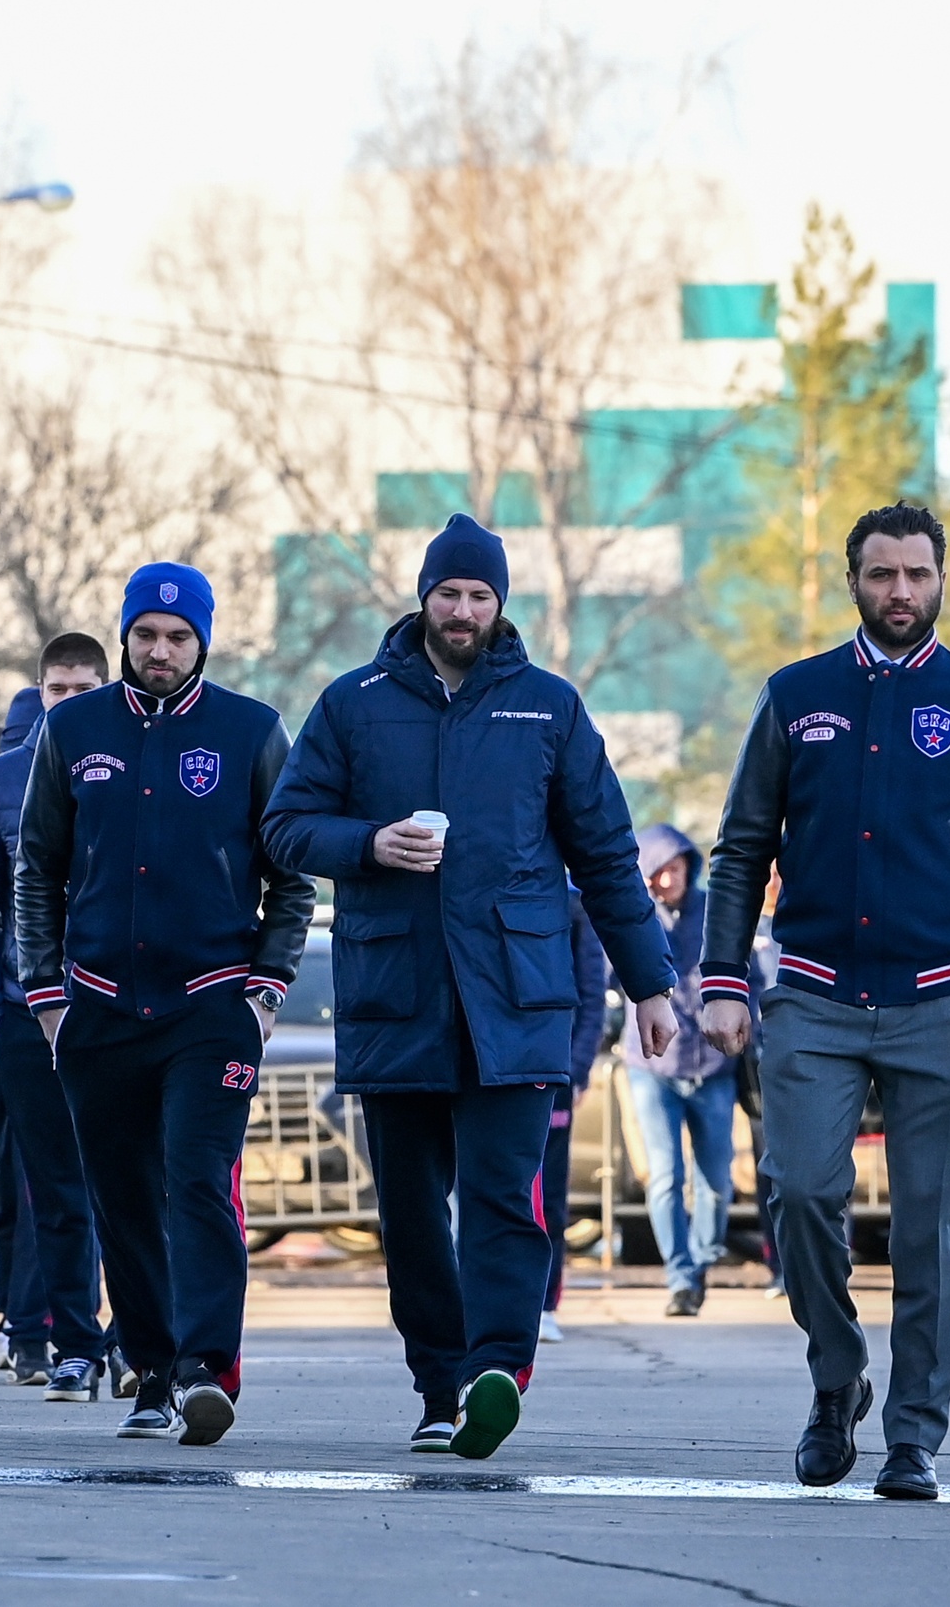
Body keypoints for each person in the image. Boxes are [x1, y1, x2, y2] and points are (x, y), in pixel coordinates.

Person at [262, 514, 677, 1460]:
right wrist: (367, 845)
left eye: (479, 595)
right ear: (423, 597)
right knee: (410, 1216)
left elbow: (608, 854)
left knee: (503, 1198)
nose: (462, 610)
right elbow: (285, 828)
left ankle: (498, 1369)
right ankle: (438, 1387)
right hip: (395, 998)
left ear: (500, 604)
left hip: (516, 997)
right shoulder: (353, 703)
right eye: (448, 593)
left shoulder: (548, 707)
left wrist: (649, 983)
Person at [697, 502, 950, 1502]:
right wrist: (722, 980)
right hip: (810, 992)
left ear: (941, 580)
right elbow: (737, 851)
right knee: (800, 1189)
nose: (901, 591)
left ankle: (912, 1435)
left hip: (944, 999)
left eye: (917, 574)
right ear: (850, 578)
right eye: (882, 573)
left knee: (928, 1223)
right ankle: (836, 1373)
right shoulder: (795, 694)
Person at [16, 562, 315, 1446]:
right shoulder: (71, 729)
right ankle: (149, 1369)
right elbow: (37, 868)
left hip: (212, 1004)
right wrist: (46, 995)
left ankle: (205, 1369)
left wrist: (266, 988)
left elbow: (290, 873)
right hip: (98, 1009)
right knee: (122, 1197)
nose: (159, 650)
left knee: (195, 1181)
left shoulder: (251, 730)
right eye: (145, 634)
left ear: (203, 642)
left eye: (177, 637)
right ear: (124, 636)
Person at [0, 635, 117, 1401]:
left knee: (132, 1183)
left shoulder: (139, 765)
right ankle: (74, 1343)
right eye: (58, 689)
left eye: (85, 688)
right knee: (51, 1189)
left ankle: (139, 1342)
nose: (71, 701)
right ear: (40, 693)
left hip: (127, 1008)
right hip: (29, 1014)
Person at [620, 823, 739, 1320]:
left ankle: (705, 1253)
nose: (667, 878)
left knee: (715, 1177)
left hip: (712, 1062)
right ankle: (680, 1277)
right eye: (656, 870)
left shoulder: (714, 909)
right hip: (651, 1063)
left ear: (689, 865)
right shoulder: (636, 912)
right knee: (665, 1175)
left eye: (674, 867)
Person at [536, 893, 608, 1345]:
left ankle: (545, 1303)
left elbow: (593, 996)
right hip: (491, 1065)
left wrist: (577, 1069)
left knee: (548, 1197)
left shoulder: (575, 904)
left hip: (554, 1072)